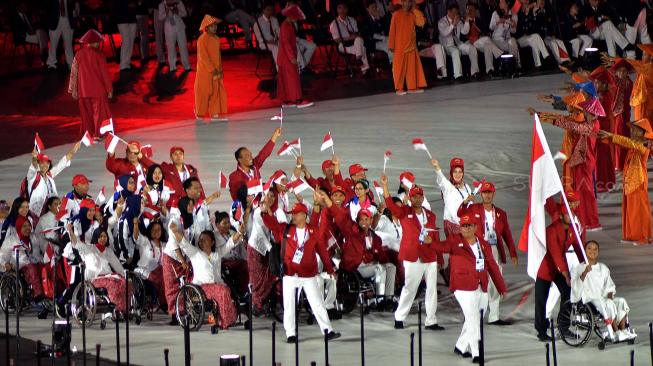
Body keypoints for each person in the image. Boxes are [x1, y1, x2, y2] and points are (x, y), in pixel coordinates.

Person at [261, 202, 341, 343]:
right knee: (289, 304)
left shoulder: (313, 231)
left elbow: (322, 251)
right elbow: (272, 224)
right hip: (290, 274)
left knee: (317, 303)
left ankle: (328, 331)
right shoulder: (286, 230)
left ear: (303, 215)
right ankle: (290, 334)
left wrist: (329, 269)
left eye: (296, 213)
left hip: (308, 275)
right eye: (293, 213)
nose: (293, 216)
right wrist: (265, 212)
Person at [435, 213, 506, 362]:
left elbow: (492, 266)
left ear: (475, 227)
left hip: (481, 285)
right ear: (460, 228)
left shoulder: (483, 243)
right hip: (462, 286)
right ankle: (476, 352)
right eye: (463, 226)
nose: (466, 228)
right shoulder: (454, 241)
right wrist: (428, 241)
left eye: (469, 225)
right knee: (473, 318)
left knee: (476, 317)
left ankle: (460, 346)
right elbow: (441, 246)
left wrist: (500, 286)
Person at [380, 175, 444, 330]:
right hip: (412, 256)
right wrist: (385, 186)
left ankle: (431, 320)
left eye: (419, 196)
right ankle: (399, 317)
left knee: (431, 289)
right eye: (414, 196)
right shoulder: (404, 212)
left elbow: (435, 235)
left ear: (422, 198)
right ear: (409, 197)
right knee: (410, 287)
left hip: (430, 256)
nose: (417, 199)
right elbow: (389, 204)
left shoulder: (431, 215)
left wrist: (440, 256)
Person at [323, 193, 396, 309]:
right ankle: (380, 299)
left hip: (370, 265)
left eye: (366, 219)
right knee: (380, 268)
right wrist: (327, 199)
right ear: (357, 220)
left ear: (371, 220)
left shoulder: (374, 237)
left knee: (391, 266)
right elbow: (339, 215)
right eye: (361, 219)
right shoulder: (352, 230)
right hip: (356, 267)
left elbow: (380, 254)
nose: (363, 222)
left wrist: (385, 261)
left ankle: (389, 297)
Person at [458, 181, 517, 325]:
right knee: (476, 282)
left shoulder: (501, 213)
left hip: (494, 249)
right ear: (481, 194)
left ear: (494, 193)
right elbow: (460, 213)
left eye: (489, 192)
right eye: (484, 192)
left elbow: (507, 234)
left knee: (496, 281)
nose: (487, 195)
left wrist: (512, 253)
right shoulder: (473, 208)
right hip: (478, 249)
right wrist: (465, 202)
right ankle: (471, 315)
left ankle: (494, 316)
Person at [534, 192, 585, 342]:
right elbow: (556, 254)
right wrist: (565, 273)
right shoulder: (551, 230)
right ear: (562, 216)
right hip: (546, 268)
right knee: (541, 300)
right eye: (568, 214)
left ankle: (563, 326)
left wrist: (585, 263)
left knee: (567, 291)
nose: (571, 216)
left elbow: (577, 246)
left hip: (559, 267)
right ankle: (541, 330)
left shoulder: (573, 227)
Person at [170, 224, 240, 329]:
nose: (201, 241)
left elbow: (230, 243)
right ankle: (224, 321)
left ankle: (227, 319)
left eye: (205, 239)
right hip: (201, 288)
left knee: (225, 289)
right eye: (200, 240)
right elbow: (183, 243)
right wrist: (175, 232)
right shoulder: (195, 253)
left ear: (212, 242)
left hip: (217, 285)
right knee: (222, 290)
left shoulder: (217, 253)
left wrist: (239, 233)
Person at [598, 119, 652, 244]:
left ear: (643, 132)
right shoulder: (636, 142)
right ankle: (631, 234)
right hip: (630, 180)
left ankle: (641, 236)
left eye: (636, 129)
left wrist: (612, 136)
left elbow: (628, 142)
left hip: (638, 181)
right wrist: (609, 137)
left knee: (638, 209)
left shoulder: (645, 144)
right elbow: (625, 143)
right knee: (630, 209)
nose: (632, 131)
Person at [571, 240, 636, 341]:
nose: (592, 251)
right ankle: (616, 331)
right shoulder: (579, 268)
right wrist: (584, 272)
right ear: (584, 251)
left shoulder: (603, 267)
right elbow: (575, 287)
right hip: (591, 300)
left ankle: (623, 331)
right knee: (609, 304)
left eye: (595, 249)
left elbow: (610, 285)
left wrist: (610, 295)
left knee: (621, 301)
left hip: (603, 298)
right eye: (589, 248)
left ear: (598, 251)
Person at [67, 223, 133, 314]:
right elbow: (75, 243)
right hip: (95, 278)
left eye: (105, 236)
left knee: (125, 283)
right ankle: (116, 309)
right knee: (113, 284)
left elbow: (117, 265)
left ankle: (124, 309)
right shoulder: (88, 248)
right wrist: (70, 231)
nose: (103, 238)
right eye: (100, 236)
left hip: (109, 276)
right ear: (96, 237)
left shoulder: (109, 251)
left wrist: (124, 276)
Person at [68, 29, 113, 140]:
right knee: (99, 114)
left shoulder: (79, 54)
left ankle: (88, 135)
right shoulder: (99, 55)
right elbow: (104, 74)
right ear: (96, 42)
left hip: (83, 91)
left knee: (86, 114)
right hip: (98, 90)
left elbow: (74, 73)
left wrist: (73, 89)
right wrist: (109, 89)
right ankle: (97, 134)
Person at [228, 127, 281, 200]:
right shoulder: (235, 176)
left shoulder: (254, 166)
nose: (251, 157)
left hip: (261, 204)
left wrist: (274, 137)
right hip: (248, 208)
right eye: (247, 155)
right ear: (240, 160)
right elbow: (237, 196)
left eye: (250, 154)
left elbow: (264, 154)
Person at [27, 143, 79, 217]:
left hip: (52, 210)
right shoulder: (33, 177)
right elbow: (33, 167)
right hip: (37, 214)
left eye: (47, 163)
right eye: (42, 163)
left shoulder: (49, 175)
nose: (45, 165)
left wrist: (73, 151)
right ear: (38, 164)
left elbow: (62, 164)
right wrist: (34, 158)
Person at [277, 5, 314, 108]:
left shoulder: (287, 25)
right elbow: (286, 43)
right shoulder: (286, 26)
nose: (297, 18)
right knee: (293, 79)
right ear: (291, 16)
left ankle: (287, 101)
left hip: (284, 57)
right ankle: (298, 100)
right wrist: (292, 58)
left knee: (287, 80)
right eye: (295, 16)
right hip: (286, 58)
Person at [388, 0, 427, 94]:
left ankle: (412, 87)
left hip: (411, 45)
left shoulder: (412, 14)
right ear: (402, 2)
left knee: (412, 67)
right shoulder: (396, 14)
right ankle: (399, 88)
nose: (408, 3)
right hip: (400, 46)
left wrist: (415, 9)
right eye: (406, 1)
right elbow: (392, 31)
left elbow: (421, 22)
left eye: (410, 2)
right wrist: (391, 45)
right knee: (399, 67)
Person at [195, 15, 228, 122]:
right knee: (204, 92)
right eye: (212, 26)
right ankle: (199, 113)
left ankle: (214, 113)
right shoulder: (202, 39)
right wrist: (212, 68)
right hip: (205, 71)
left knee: (215, 91)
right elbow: (203, 56)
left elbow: (218, 57)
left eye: (215, 26)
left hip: (215, 70)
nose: (215, 28)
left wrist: (220, 69)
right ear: (206, 27)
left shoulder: (216, 39)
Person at [431, 157, 471, 238]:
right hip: (452, 226)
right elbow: (441, 178)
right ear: (451, 173)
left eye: (460, 172)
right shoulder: (447, 186)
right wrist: (436, 167)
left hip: (466, 225)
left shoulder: (467, 187)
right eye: (455, 172)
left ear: (463, 173)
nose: (457, 174)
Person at [439, 4, 479, 80]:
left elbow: (464, 32)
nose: (455, 15)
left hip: (458, 43)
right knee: (455, 51)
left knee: (472, 48)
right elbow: (444, 33)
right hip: (447, 45)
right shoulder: (442, 22)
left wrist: (467, 22)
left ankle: (475, 72)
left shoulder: (458, 21)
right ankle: (458, 75)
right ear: (448, 12)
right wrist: (453, 24)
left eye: (456, 13)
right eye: (454, 13)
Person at [133, 219, 167, 310]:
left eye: (159, 229)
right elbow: (136, 237)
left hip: (159, 271)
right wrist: (136, 225)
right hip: (143, 271)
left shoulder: (164, 245)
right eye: (154, 230)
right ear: (150, 231)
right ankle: (163, 302)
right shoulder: (146, 241)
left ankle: (165, 301)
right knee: (161, 278)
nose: (157, 232)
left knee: (167, 276)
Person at [463, 2, 504, 77]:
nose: (470, 11)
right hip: (469, 43)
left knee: (487, 45)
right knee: (487, 40)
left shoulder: (479, 21)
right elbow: (463, 35)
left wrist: (482, 35)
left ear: (475, 11)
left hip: (479, 42)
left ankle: (490, 70)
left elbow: (485, 31)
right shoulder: (464, 21)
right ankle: (499, 55)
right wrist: (467, 22)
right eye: (468, 10)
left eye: (472, 10)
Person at [330, 2, 371, 76]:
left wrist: (356, 36)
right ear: (337, 10)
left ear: (347, 9)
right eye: (340, 8)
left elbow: (356, 33)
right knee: (362, 48)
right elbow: (336, 40)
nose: (342, 10)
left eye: (344, 8)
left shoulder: (352, 20)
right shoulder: (334, 23)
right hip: (342, 45)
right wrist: (349, 38)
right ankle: (365, 70)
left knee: (359, 40)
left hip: (354, 42)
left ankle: (359, 59)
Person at [214, 211, 248, 294]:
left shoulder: (232, 233)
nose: (227, 225)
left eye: (228, 222)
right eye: (224, 223)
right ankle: (242, 291)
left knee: (247, 265)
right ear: (217, 225)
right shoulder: (214, 236)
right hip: (223, 262)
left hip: (235, 260)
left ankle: (245, 291)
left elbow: (241, 248)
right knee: (243, 266)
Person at [610, 59, 634, 171]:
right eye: (620, 71)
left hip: (622, 114)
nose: (622, 73)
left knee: (621, 137)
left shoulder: (627, 82)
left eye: (624, 71)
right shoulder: (616, 81)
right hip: (615, 113)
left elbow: (617, 84)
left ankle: (620, 163)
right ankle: (617, 161)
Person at [515, 0, 550, 70]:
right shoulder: (519, 14)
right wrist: (526, 14)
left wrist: (533, 14)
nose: (526, 6)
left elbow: (533, 28)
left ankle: (538, 64)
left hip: (529, 37)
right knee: (535, 37)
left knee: (534, 40)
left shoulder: (529, 14)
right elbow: (521, 27)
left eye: (527, 5)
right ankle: (546, 55)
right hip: (519, 39)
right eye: (525, 5)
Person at [158, 0, 190, 72]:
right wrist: (166, 11)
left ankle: (187, 66)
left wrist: (177, 11)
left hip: (180, 27)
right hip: (169, 29)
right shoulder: (162, 5)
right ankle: (173, 67)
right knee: (170, 48)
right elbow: (160, 17)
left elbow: (184, 14)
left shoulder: (179, 2)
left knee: (183, 47)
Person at [46, 0, 78, 69]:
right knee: (53, 43)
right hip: (55, 21)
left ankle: (70, 63)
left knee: (68, 44)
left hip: (67, 20)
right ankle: (51, 63)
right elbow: (47, 7)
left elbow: (74, 7)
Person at [489, 0, 521, 69]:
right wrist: (498, 22)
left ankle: (514, 64)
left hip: (506, 39)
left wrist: (511, 25)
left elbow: (514, 31)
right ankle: (512, 64)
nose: (500, 3)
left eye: (502, 2)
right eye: (499, 2)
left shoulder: (513, 14)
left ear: (507, 3)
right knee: (511, 45)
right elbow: (491, 27)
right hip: (496, 40)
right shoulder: (495, 13)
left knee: (513, 41)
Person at [254, 3, 281, 68]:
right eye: (268, 10)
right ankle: (279, 69)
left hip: (274, 40)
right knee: (275, 48)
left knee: (286, 45)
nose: (270, 12)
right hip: (264, 43)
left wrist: (277, 39)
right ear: (264, 10)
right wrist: (269, 42)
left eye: (271, 10)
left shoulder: (274, 20)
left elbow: (278, 32)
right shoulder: (258, 22)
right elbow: (259, 38)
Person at [115, 0, 138, 71]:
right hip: (122, 19)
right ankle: (123, 66)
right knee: (126, 42)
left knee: (130, 42)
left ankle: (127, 64)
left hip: (132, 18)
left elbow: (135, 4)